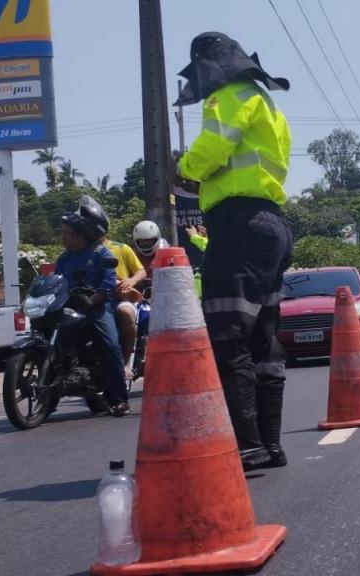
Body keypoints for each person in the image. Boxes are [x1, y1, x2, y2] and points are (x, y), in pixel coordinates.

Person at [173, 32, 294, 471]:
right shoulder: (266, 102)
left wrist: (184, 169)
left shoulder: (228, 96)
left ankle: (247, 445)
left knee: (228, 337)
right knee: (263, 340)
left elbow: (215, 144)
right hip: (272, 225)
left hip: (239, 225)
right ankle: (269, 444)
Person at [55, 196, 129, 416]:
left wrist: (92, 300)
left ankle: (119, 398)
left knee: (110, 345)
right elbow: (57, 283)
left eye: (67, 233)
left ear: (80, 235)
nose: (63, 237)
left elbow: (108, 282)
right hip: (71, 309)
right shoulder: (63, 259)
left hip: (98, 307)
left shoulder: (100, 253)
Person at [105, 236, 146, 372]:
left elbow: (141, 271)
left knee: (126, 313)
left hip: (122, 299)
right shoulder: (79, 251)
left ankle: (125, 362)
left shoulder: (121, 248)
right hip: (93, 300)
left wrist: (131, 281)